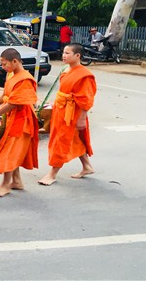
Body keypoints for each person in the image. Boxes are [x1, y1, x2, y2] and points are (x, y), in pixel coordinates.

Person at [0, 48, 39, 197]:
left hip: (22, 119)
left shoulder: (25, 79)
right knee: (11, 149)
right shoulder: (11, 75)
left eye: (4, 63)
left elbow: (14, 103)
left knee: (9, 151)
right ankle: (16, 181)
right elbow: (5, 95)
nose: (2, 67)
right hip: (12, 117)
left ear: (14, 61)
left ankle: (6, 184)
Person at [38, 43, 96, 186]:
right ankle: (87, 166)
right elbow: (64, 91)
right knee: (74, 139)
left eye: (68, 53)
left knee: (61, 141)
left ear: (78, 56)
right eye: (64, 52)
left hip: (72, 114)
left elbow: (86, 99)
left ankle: (52, 173)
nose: (64, 55)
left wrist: (82, 118)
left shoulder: (85, 75)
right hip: (61, 110)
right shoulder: (66, 70)